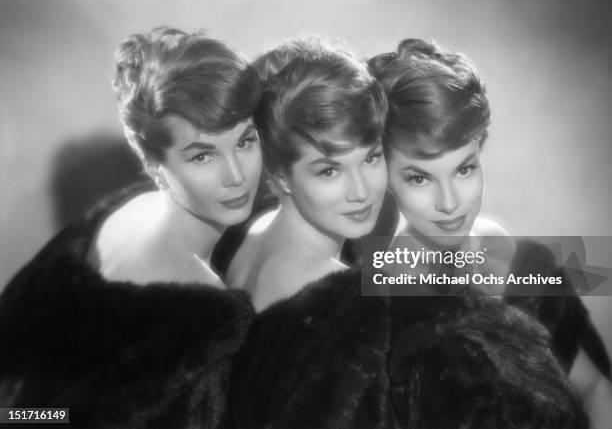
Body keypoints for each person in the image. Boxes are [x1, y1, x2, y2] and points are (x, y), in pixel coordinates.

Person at [222, 37, 587, 429]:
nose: (361, 191)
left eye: (370, 157)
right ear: (281, 176)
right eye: (328, 170)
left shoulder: (259, 234)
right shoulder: (343, 292)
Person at [0, 27, 262, 428]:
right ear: (156, 168)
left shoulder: (122, 210)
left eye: (245, 142)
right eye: (202, 156)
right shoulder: (201, 311)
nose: (237, 176)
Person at [368, 37, 612, 427]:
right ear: (385, 177)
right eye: (419, 178)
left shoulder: (503, 246)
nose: (449, 203)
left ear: (481, 149)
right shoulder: (386, 294)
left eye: (465, 168)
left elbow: (595, 387)